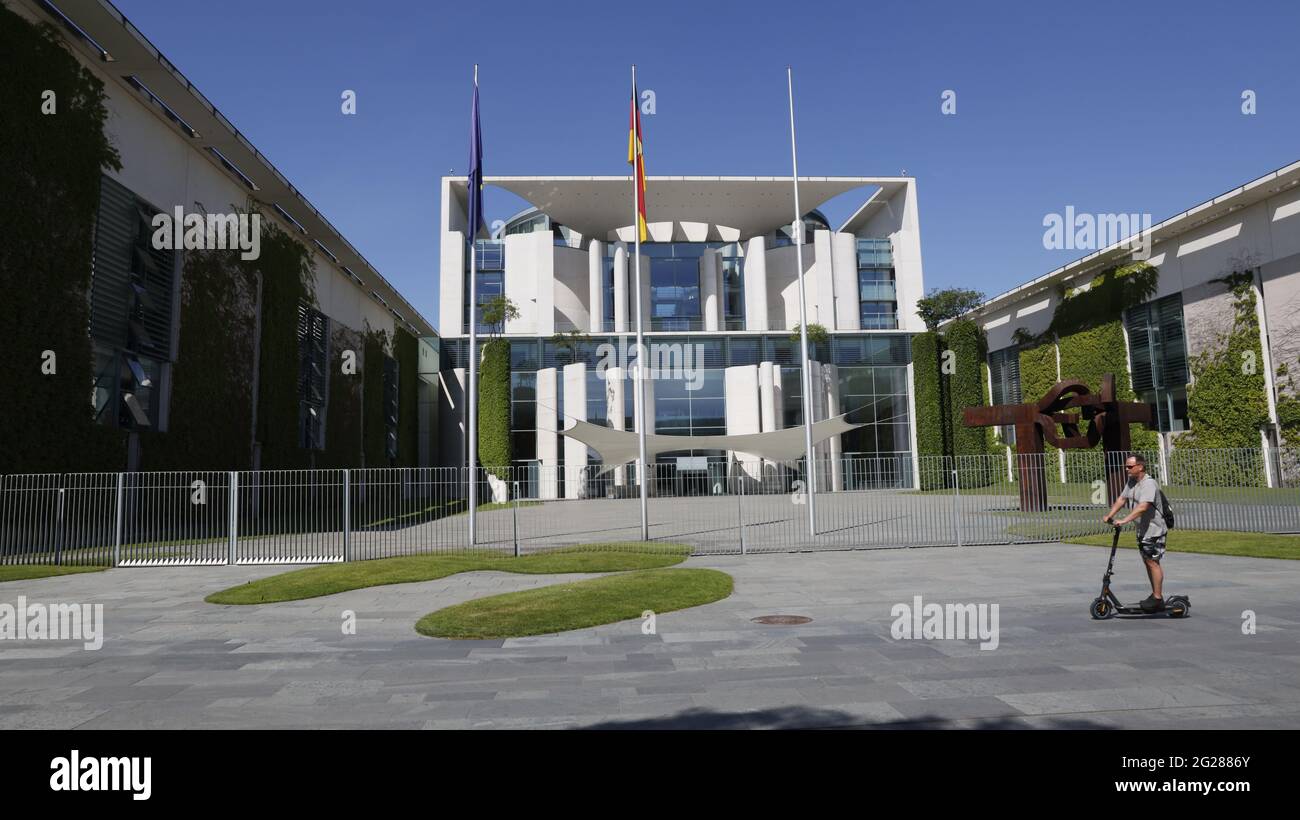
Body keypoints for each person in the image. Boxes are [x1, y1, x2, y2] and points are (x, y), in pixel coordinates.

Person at [1102, 454, 1167, 612]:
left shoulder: (1149, 484)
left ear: (1140, 467)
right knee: (1147, 561)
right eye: (1126, 466)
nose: (1127, 469)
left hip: (1154, 530)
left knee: (1153, 562)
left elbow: (1143, 507)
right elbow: (1122, 499)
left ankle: (1157, 598)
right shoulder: (1132, 482)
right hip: (1143, 530)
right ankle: (1155, 595)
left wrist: (1124, 520)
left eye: (1130, 467)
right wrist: (1110, 515)